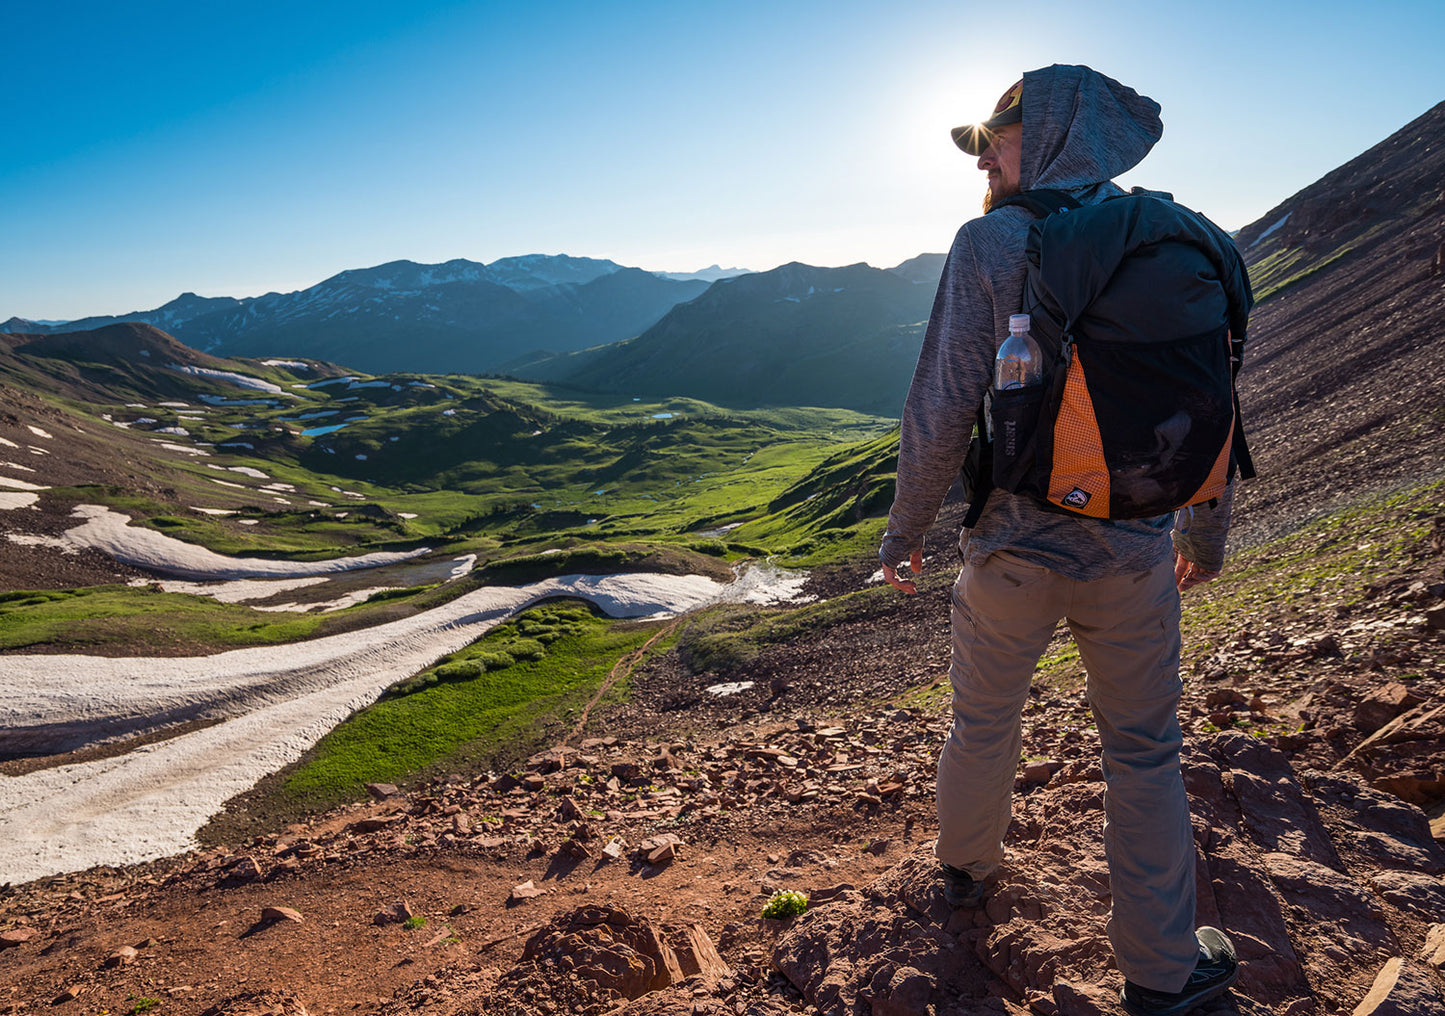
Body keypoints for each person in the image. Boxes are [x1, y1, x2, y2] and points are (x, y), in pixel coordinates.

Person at [878, 65, 1240, 1016]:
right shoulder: (1184, 239)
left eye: (991, 139)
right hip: (1132, 554)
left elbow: (945, 401)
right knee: (1143, 749)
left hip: (1011, 551)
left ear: (1036, 136)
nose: (983, 159)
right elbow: (1210, 399)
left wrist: (903, 530)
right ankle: (1164, 973)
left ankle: (964, 873)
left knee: (983, 720)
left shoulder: (994, 240)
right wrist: (1204, 531)